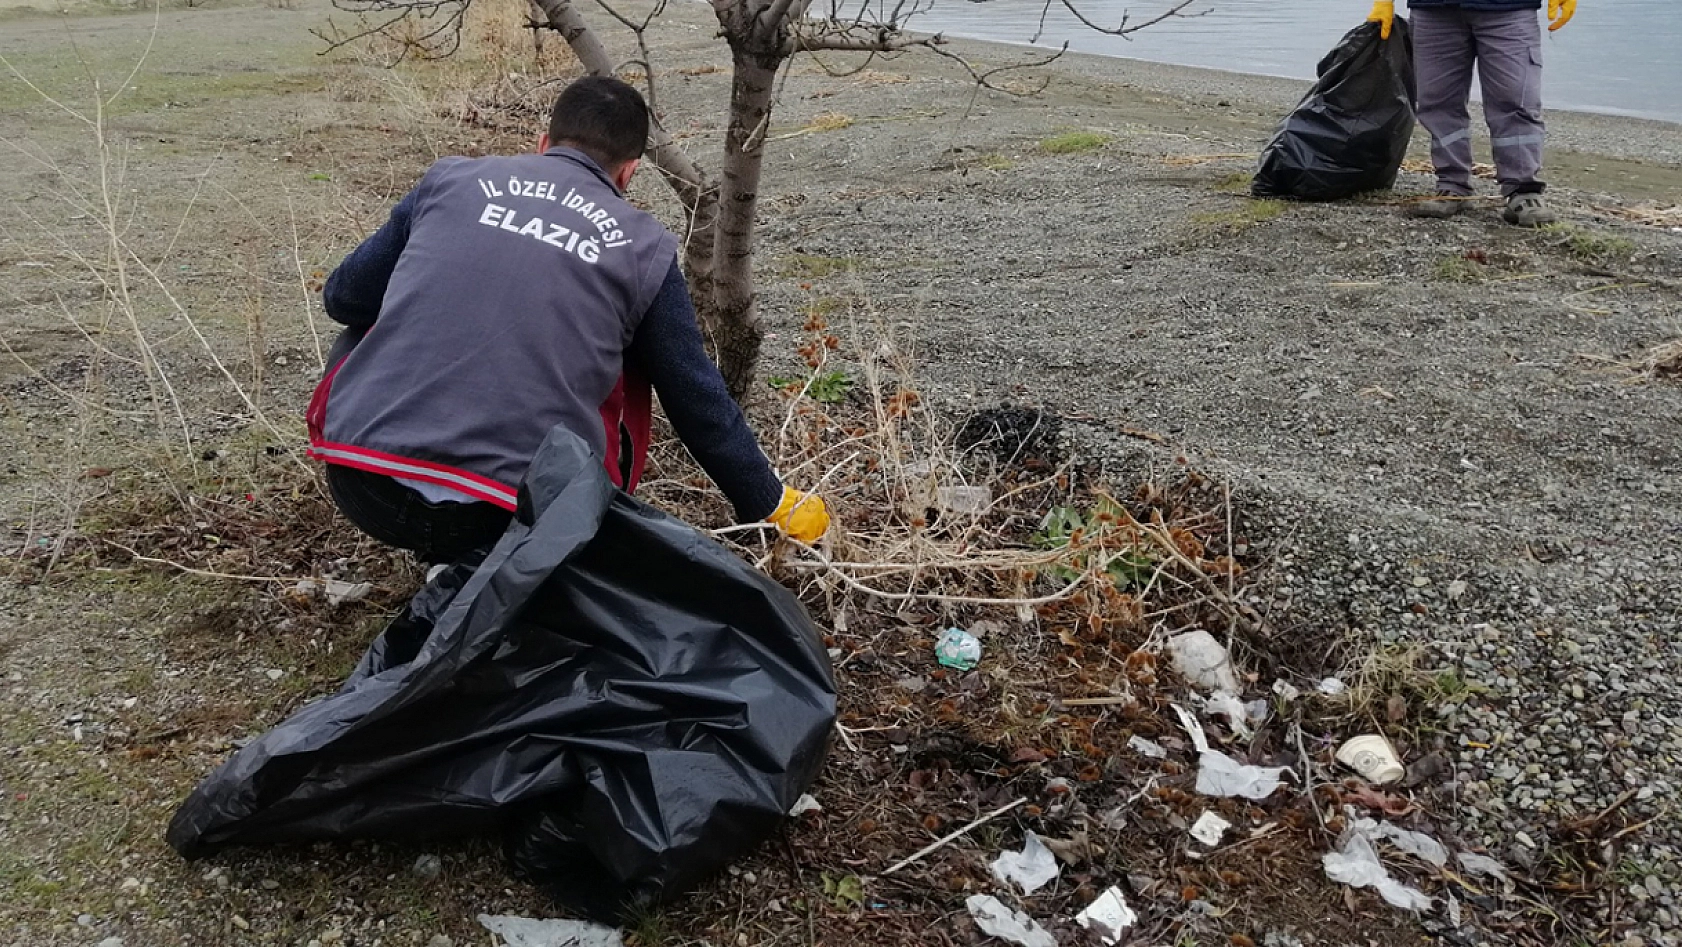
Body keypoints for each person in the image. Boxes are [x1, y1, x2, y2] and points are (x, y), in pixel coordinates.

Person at [307, 76, 829, 563]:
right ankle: (487, 565)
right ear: (630, 171)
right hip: (518, 521)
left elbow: (343, 299)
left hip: (365, 485)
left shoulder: (451, 179)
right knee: (635, 360)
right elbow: (694, 397)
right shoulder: (642, 247)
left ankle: (448, 556)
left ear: (543, 142)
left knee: (367, 317)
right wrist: (767, 499)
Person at [1367, 0, 1575, 226]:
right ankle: (1452, 186)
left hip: (1510, 9)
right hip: (1434, 10)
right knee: (1438, 103)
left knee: (1516, 101)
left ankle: (1523, 190)